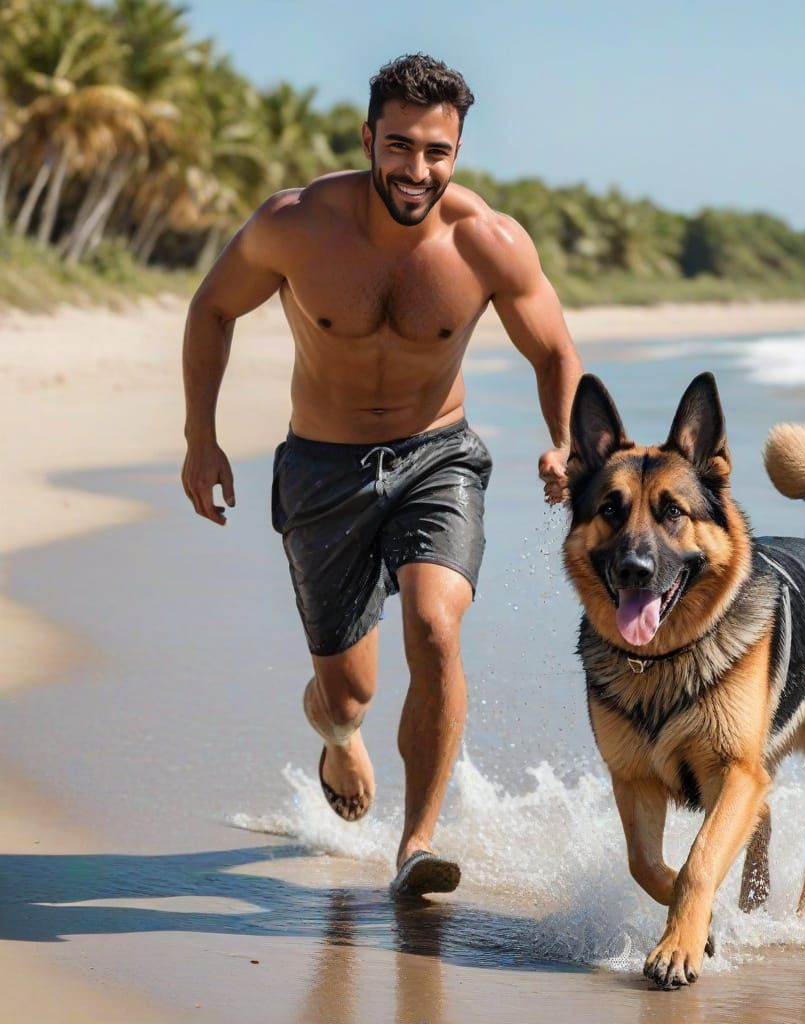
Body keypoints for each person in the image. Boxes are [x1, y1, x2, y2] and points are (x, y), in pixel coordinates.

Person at [181, 54, 583, 896]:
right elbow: (213, 307)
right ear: (369, 138)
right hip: (321, 470)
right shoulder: (298, 224)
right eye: (398, 147)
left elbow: (554, 351)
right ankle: (336, 739)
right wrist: (200, 438)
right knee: (346, 697)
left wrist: (564, 440)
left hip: (438, 454)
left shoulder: (489, 243)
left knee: (437, 628)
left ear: (459, 151)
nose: (416, 170)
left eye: (437, 152)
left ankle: (417, 844)